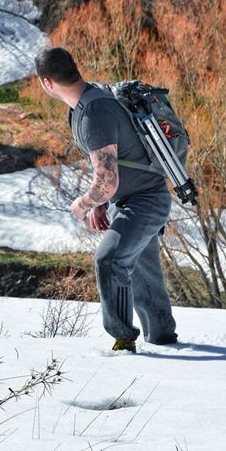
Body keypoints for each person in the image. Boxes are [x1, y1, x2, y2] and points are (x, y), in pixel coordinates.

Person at [34, 47, 177, 352]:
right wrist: (101, 203)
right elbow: (113, 162)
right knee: (142, 271)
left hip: (145, 200)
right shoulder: (89, 99)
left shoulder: (93, 113)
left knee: (109, 260)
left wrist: (82, 204)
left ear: (47, 83)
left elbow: (107, 180)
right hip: (137, 199)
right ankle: (165, 341)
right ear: (75, 67)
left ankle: (123, 340)